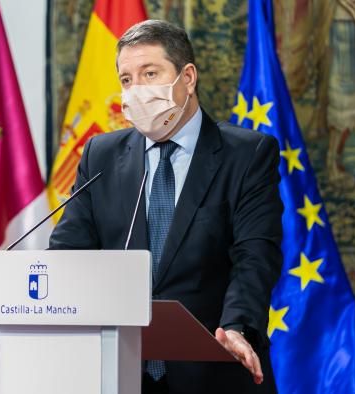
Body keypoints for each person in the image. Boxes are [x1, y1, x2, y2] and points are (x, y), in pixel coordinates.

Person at [49, 20, 283, 394]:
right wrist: (24, 327)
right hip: (118, 372)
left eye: (150, 73)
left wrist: (237, 327)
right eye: (126, 79)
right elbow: (67, 255)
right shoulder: (101, 155)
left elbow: (255, 256)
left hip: (213, 369)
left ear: (187, 77)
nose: (136, 89)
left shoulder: (247, 155)